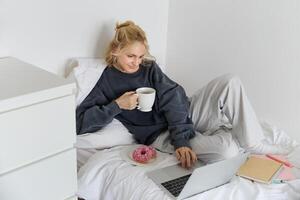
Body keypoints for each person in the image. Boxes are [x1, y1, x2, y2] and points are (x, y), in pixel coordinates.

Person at [76, 20, 288, 169]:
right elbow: (80, 123)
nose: (136, 62)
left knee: (230, 81)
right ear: (116, 50)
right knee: (227, 152)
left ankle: (253, 142)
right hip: (161, 135)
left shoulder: (149, 67)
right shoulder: (106, 81)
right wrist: (118, 105)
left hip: (184, 115)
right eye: (130, 56)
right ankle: (226, 131)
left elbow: (173, 95)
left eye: (140, 56)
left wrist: (182, 140)